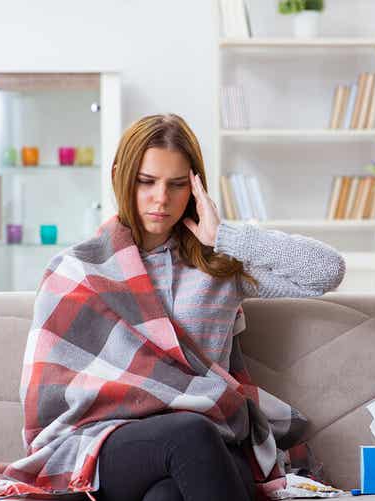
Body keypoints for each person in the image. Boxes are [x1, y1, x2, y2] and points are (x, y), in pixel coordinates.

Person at [93, 113, 346, 501]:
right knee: (187, 434)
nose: (161, 198)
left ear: (195, 188)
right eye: (146, 181)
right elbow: (61, 391)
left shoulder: (216, 267)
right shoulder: (84, 268)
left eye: (176, 185)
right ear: (120, 176)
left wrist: (225, 236)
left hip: (211, 441)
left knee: (167, 495)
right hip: (115, 443)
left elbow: (326, 271)